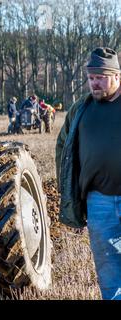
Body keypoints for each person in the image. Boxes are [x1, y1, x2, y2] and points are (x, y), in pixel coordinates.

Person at [56, 47, 121, 300]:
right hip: (98, 202)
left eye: (100, 77)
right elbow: (63, 147)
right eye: (91, 77)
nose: (94, 82)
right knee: (108, 270)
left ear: (117, 76)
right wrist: (70, 190)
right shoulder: (80, 109)